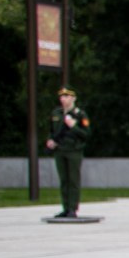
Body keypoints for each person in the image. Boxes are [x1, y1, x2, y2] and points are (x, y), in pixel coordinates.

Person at [43, 87, 92, 219]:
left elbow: (86, 134)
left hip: (74, 151)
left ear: (73, 98)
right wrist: (50, 140)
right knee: (64, 180)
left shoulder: (80, 114)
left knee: (73, 180)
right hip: (60, 150)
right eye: (62, 96)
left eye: (66, 96)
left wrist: (73, 126)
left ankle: (72, 209)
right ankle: (65, 208)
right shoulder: (56, 113)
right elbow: (52, 131)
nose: (63, 99)